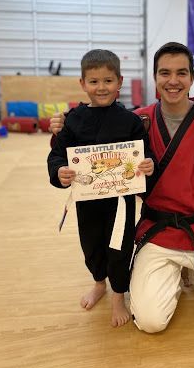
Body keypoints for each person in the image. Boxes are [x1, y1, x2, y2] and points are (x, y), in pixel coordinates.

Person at [50, 42, 194, 333]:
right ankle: (172, 276)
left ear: (191, 78)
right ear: (155, 78)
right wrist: (60, 131)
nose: (173, 81)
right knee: (150, 322)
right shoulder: (137, 121)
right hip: (158, 231)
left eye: (181, 73)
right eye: (165, 73)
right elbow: (89, 145)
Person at [47, 49, 155, 327]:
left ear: (119, 82)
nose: (101, 87)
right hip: (87, 201)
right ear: (82, 84)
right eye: (94, 81)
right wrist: (60, 171)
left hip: (120, 203)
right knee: (91, 245)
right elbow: (57, 155)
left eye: (108, 80)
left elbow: (146, 155)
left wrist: (148, 165)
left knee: (119, 248)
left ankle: (119, 295)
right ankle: (99, 284)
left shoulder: (130, 121)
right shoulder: (72, 120)